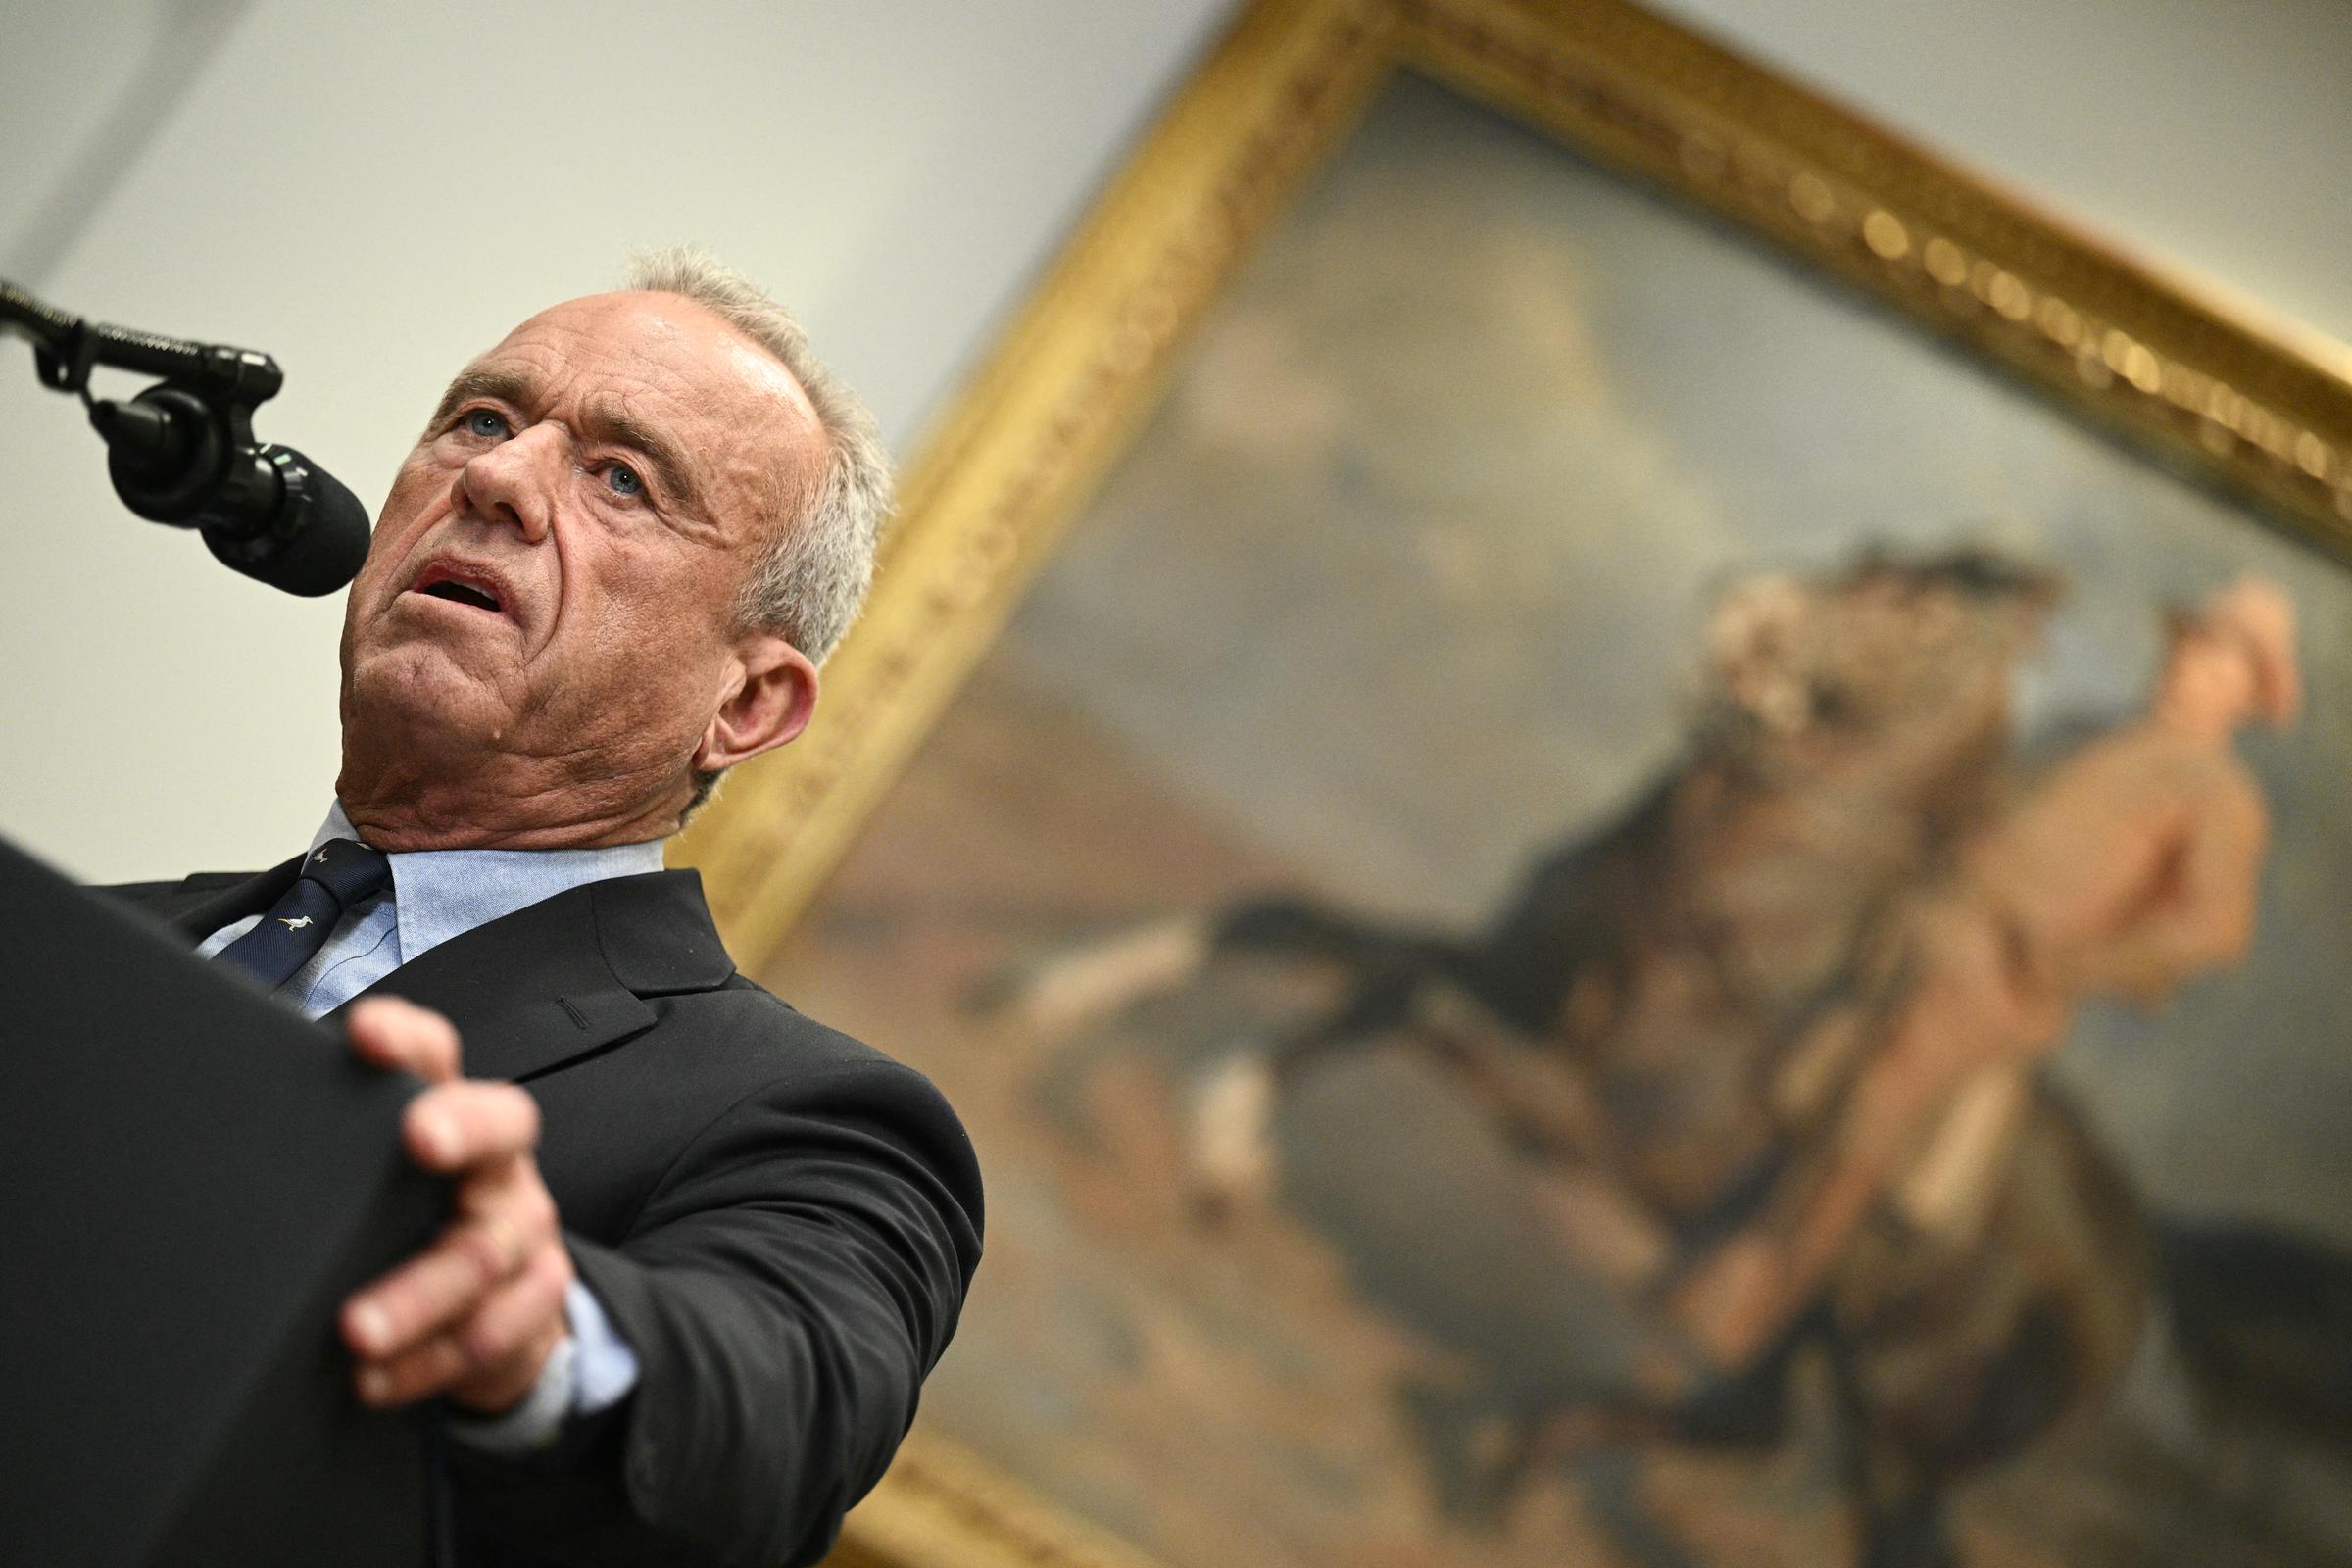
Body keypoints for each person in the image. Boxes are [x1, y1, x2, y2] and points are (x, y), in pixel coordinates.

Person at [107, 248, 983, 1568]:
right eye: (480, 419)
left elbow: (782, 1395)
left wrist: (548, 1335)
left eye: (622, 480)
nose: (497, 480)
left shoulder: (809, 1119)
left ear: (743, 706)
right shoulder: (81, 938)